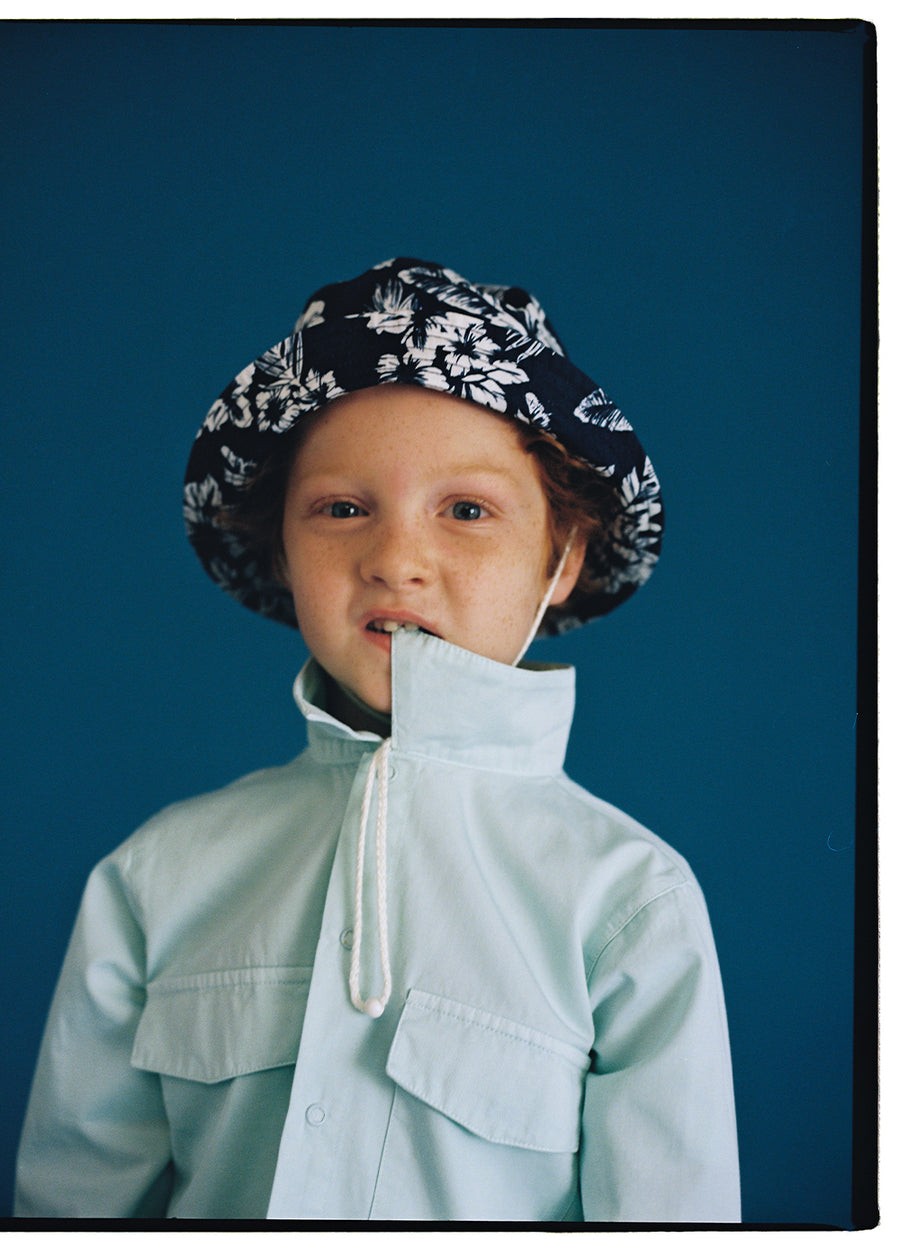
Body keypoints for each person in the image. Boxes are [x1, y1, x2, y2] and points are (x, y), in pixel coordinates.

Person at [15, 257, 741, 1222]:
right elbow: (65, 1215)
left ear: (563, 556)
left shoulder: (628, 901)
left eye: (467, 510)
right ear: (281, 546)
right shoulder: (156, 877)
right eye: (343, 509)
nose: (396, 559)